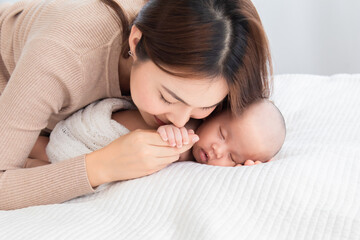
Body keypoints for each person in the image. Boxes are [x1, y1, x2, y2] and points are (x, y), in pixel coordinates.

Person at [0, 0, 272, 210]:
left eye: (204, 108)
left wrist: (236, 153)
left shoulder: (208, 60)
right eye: (168, 98)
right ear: (135, 42)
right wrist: (101, 166)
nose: (180, 121)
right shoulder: (63, 56)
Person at [28, 98, 285, 170]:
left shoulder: (204, 156)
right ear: (214, 113)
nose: (219, 150)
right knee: (45, 148)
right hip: (93, 134)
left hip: (95, 156)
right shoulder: (184, 123)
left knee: (41, 163)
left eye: (233, 158)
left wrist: (251, 167)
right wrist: (168, 132)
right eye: (222, 135)